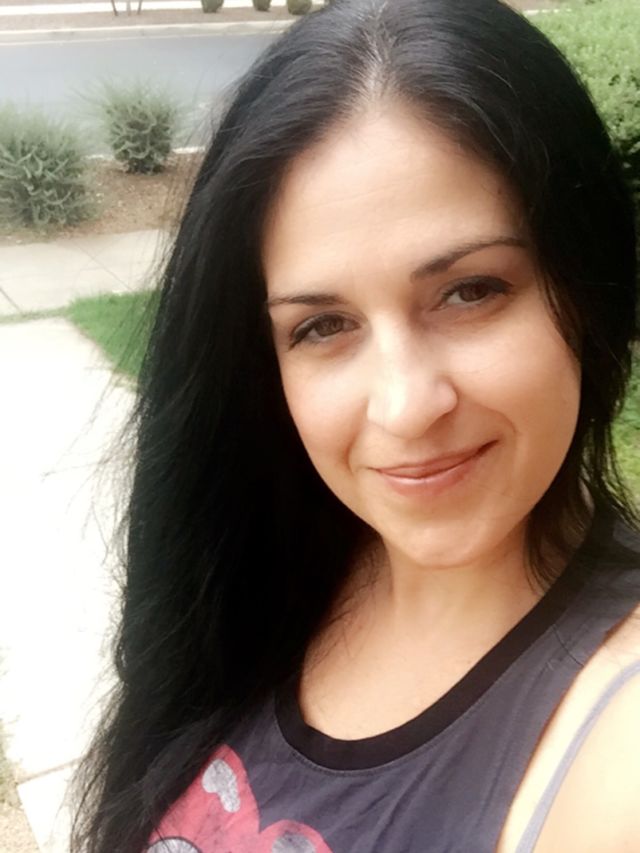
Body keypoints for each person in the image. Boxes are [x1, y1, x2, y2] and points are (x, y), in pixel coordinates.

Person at [72, 0, 640, 850]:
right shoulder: (259, 572)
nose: (405, 406)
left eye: (471, 290)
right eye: (323, 325)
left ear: (586, 287)